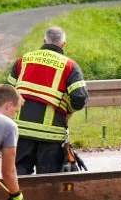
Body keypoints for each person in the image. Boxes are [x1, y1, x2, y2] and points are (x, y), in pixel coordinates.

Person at [8, 26, 88, 175]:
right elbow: (80, 98)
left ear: (44, 41)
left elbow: (7, 92)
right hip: (51, 135)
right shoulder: (69, 66)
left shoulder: (23, 61)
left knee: (19, 176)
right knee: (48, 181)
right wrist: (67, 110)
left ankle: (20, 199)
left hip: (21, 132)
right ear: (63, 44)